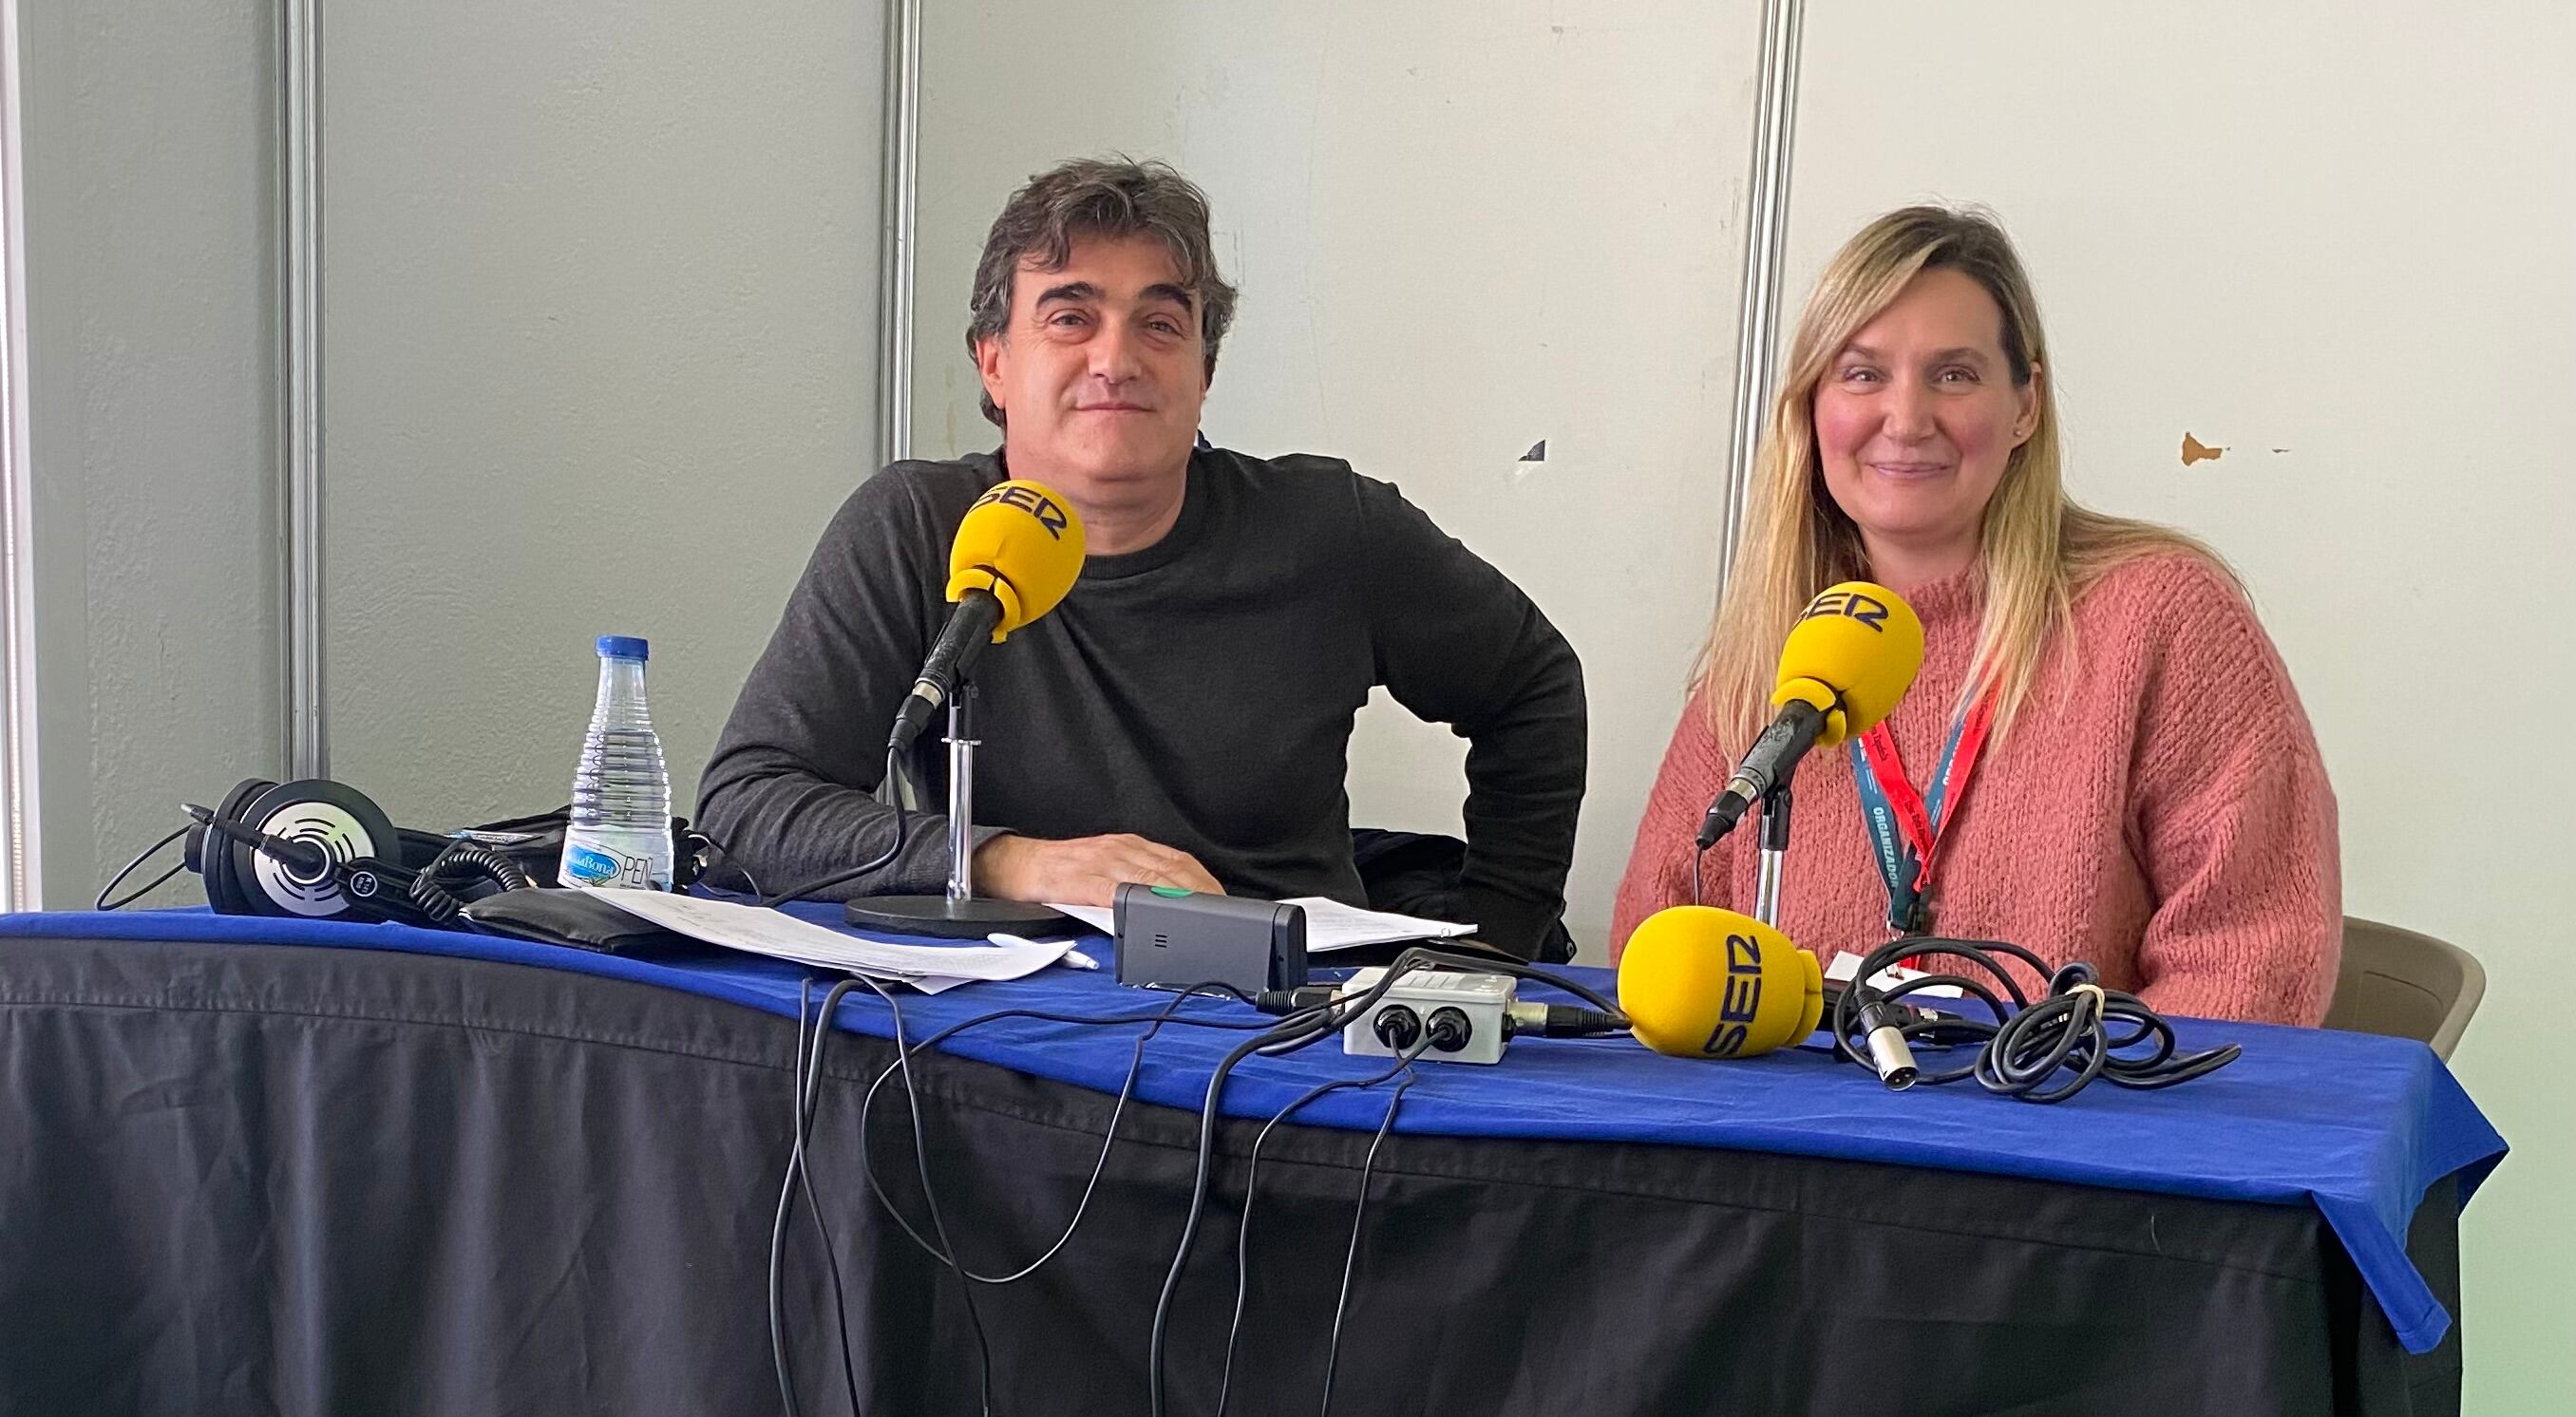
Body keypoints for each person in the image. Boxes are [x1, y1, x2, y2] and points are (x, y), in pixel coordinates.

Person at [700, 158, 1586, 959]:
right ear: (994, 364)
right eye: (1071, 316)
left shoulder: (1331, 529)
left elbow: (1533, 686)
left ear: (1205, 372)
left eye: (1160, 323)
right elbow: (748, 808)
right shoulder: (915, 529)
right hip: (998, 1026)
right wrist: (1014, 862)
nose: (1115, 359)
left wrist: (1496, 945)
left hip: (1278, 1032)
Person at [1613, 206, 2339, 1024]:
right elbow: (1656, 950)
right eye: (1861, 373)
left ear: (2026, 404)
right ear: (1813, 409)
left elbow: (2252, 964)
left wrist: (2050, 1125)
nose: (1907, 418)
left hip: (2068, 1130)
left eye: (1953, 374)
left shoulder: (2160, 619)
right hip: (1798, 1142)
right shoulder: (1770, 656)